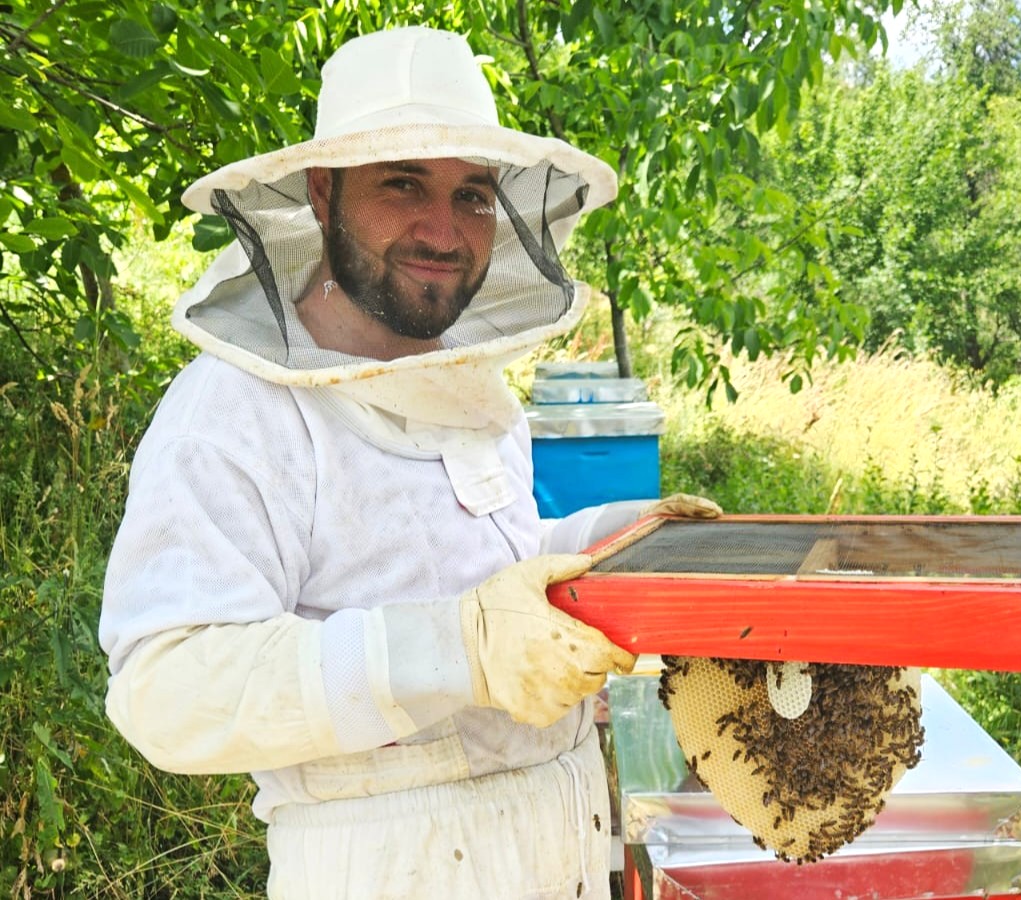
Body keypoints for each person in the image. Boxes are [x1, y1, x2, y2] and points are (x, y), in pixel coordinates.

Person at [98, 25, 719, 899]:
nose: (445, 229)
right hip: (387, 867)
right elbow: (168, 691)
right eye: (402, 185)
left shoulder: (462, 380)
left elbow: (480, 565)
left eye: (472, 195)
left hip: (566, 835)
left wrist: (619, 540)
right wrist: (453, 649)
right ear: (323, 193)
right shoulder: (233, 413)